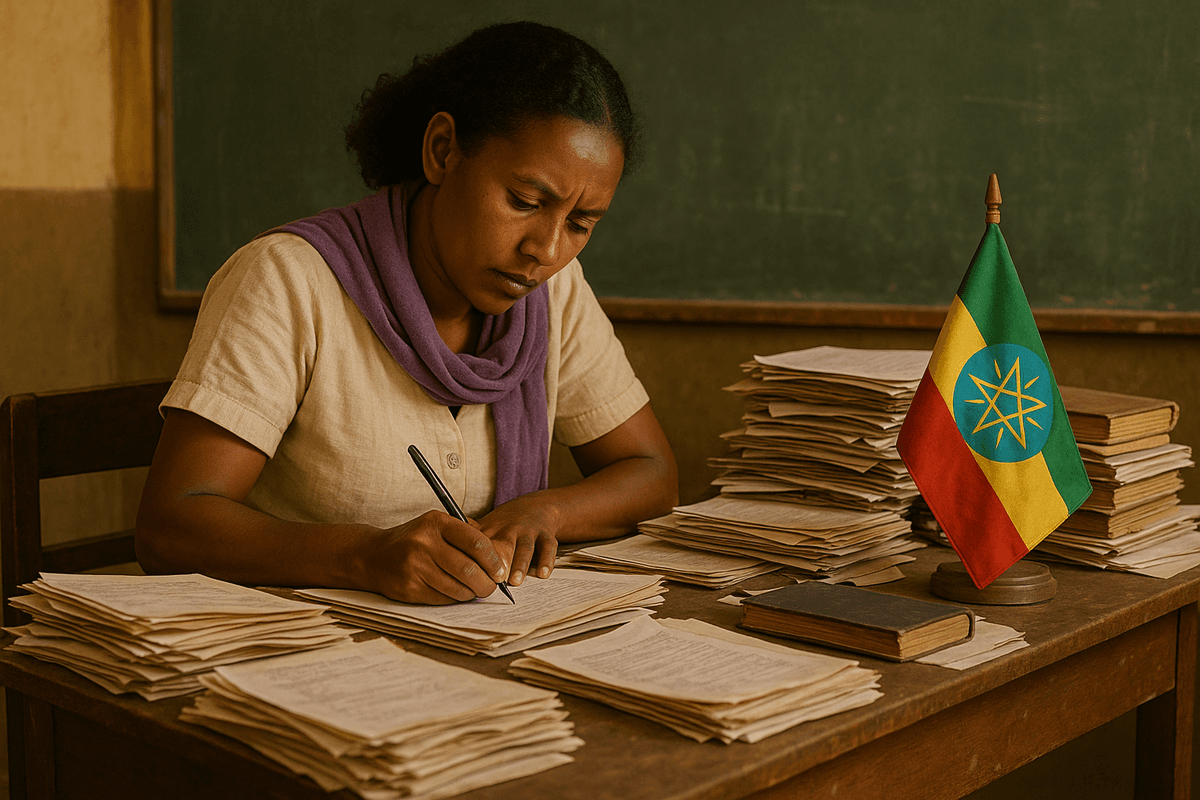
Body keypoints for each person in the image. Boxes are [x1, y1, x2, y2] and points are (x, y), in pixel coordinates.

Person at [135, 21, 678, 605]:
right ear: (442, 151)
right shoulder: (289, 279)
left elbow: (650, 471)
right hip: (297, 651)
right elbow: (171, 526)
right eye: (524, 201)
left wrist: (545, 510)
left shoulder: (553, 291)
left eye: (580, 223)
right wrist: (363, 556)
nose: (546, 250)